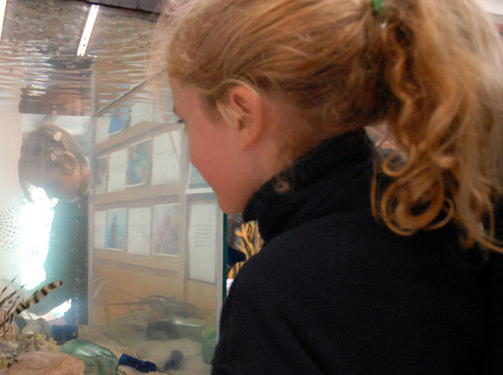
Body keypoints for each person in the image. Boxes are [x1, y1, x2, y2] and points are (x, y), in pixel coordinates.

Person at [157, 0, 503, 373]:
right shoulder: (451, 211)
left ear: (242, 114)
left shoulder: (278, 292)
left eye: (185, 121)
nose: (189, 149)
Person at [18, 123, 90, 325]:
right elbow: (59, 281)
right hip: (83, 321)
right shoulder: (64, 210)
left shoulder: (104, 202)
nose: (49, 194)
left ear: (70, 162)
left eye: (50, 185)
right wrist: (20, 306)